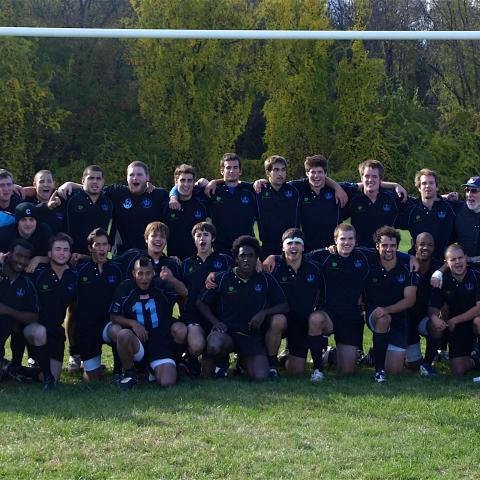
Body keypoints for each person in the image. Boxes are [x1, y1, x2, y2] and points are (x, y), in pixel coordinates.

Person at [196, 235, 289, 380]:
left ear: (256, 258)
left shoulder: (265, 278)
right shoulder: (222, 278)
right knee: (214, 345)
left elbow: (284, 305)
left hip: (251, 336)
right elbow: (201, 302)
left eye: (251, 256)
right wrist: (215, 322)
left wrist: (264, 313)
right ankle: (222, 365)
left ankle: (242, 364)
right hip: (227, 333)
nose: (246, 259)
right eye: (242, 255)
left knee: (260, 376)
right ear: (236, 258)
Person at [58, 161, 168, 254]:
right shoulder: (117, 192)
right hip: (122, 254)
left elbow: (178, 195)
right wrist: (70, 184)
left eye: (139, 175)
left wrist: (173, 197)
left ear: (147, 177)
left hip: (151, 253)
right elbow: (94, 188)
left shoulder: (159, 194)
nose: (135, 178)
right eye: (131, 175)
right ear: (126, 178)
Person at [171, 222, 233, 376]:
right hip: (194, 316)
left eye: (206, 235)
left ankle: (220, 361)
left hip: (218, 316)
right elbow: (180, 292)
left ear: (213, 239)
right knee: (197, 345)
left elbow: (242, 269)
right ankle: (190, 360)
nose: (202, 238)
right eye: (198, 235)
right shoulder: (185, 263)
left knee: (208, 372)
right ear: (194, 240)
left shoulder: (225, 260)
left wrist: (259, 262)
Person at [110, 256, 178, 389]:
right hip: (138, 342)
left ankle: (153, 371)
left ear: (153, 273)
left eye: (148, 273)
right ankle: (130, 373)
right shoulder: (125, 288)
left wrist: (172, 279)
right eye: (140, 273)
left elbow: (184, 293)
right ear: (133, 273)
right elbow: (114, 316)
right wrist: (133, 324)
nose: (144, 278)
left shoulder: (162, 286)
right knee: (123, 334)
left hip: (160, 342)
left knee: (167, 382)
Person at [269, 228, 327, 380]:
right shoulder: (273, 267)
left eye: (297, 243)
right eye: (289, 243)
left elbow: (322, 293)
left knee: (296, 370)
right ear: (283, 247)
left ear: (303, 247)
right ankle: (272, 365)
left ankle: (285, 357)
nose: (293, 246)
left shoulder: (314, 268)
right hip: (282, 320)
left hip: (302, 322)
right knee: (277, 320)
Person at [363, 226, 418, 383]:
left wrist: (386, 309)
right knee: (383, 319)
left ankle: (375, 354)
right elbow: (348, 249)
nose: (388, 249)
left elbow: (410, 300)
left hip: (399, 318)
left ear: (398, 247)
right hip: (376, 314)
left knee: (395, 371)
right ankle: (379, 372)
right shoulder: (369, 262)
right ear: (377, 246)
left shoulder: (408, 268)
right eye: (384, 245)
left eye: (393, 246)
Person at [71, 228, 123, 381]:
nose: (102, 248)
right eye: (97, 245)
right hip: (87, 328)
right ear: (90, 248)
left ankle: (119, 372)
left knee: (118, 331)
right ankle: (93, 366)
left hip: (108, 323)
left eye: (105, 244)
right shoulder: (80, 270)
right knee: (92, 380)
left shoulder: (116, 269)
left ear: (109, 247)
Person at [29, 233, 78, 389]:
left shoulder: (74, 276)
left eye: (65, 249)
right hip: (34, 328)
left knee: (54, 378)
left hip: (56, 332)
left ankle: (18, 371)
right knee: (39, 332)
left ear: (70, 254)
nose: (62, 253)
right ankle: (47, 377)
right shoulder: (37, 273)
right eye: (57, 249)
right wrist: (38, 259)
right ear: (49, 253)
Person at [428, 244, 480, 376]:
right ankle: (476, 359)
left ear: (466, 258)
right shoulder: (443, 281)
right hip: (457, 327)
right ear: (446, 263)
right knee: (458, 371)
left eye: (460, 258)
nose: (458, 262)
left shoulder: (476, 276)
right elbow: (433, 307)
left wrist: (455, 320)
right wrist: (434, 318)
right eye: (453, 259)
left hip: (471, 320)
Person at [49, 165, 113, 255]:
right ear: (83, 180)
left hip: (98, 257)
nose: (95, 181)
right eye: (91, 178)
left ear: (103, 182)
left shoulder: (109, 201)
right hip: (72, 257)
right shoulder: (69, 196)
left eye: (98, 179)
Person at [342, 159, 406, 248]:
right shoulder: (353, 198)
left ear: (380, 179)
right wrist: (394, 184)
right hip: (360, 253)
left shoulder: (393, 197)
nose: (370, 180)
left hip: (385, 253)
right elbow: (337, 186)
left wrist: (395, 185)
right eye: (367, 176)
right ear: (361, 178)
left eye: (374, 176)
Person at [202, 153, 258, 254]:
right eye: (228, 167)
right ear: (222, 171)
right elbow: (186, 189)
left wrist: (261, 181)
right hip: (221, 249)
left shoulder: (251, 191)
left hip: (246, 248)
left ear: (240, 171)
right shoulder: (212, 191)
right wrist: (173, 196)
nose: (232, 171)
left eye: (235, 167)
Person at [404, 232, 444, 375]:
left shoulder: (438, 268)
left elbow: (450, 263)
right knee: (412, 365)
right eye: (422, 244)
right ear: (415, 246)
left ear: (434, 248)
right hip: (406, 320)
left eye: (429, 245)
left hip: (424, 318)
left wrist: (442, 270)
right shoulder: (405, 264)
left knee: (436, 326)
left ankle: (427, 364)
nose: (425, 248)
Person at [0, 239, 39, 380]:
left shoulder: (27, 284)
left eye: (26, 257)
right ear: (9, 255)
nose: (22, 261)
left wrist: (8, 311)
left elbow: (33, 316)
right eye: (18, 255)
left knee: (11, 322)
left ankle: (11, 366)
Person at [398, 169, 457, 260]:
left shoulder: (450, 207)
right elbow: (380, 189)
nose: (427, 186)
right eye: (424, 183)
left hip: (443, 264)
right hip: (418, 263)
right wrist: (395, 185)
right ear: (419, 187)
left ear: (437, 187)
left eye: (431, 183)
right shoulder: (411, 210)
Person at [254, 156, 300, 258]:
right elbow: (234, 182)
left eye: (283, 170)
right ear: (268, 173)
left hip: (291, 245)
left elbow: (315, 177)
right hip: (268, 248)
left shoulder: (295, 190)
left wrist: (337, 187)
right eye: (276, 170)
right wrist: (215, 182)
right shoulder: (259, 190)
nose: (280, 173)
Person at [163, 164, 209, 260]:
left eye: (189, 180)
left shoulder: (203, 202)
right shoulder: (166, 205)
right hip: (174, 260)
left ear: (193, 183)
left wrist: (212, 182)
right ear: (176, 182)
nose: (186, 184)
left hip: (198, 261)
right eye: (182, 180)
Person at [0, 202, 52, 273]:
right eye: (23, 219)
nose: (28, 224)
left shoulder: (44, 231)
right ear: (17, 222)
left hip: (36, 272)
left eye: (31, 219)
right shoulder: (5, 233)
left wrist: (38, 259)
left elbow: (55, 255)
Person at [452, 176, 480, 260]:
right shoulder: (458, 208)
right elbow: (434, 199)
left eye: (474, 191)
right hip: (463, 264)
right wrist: (447, 196)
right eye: (467, 190)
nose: (469, 194)